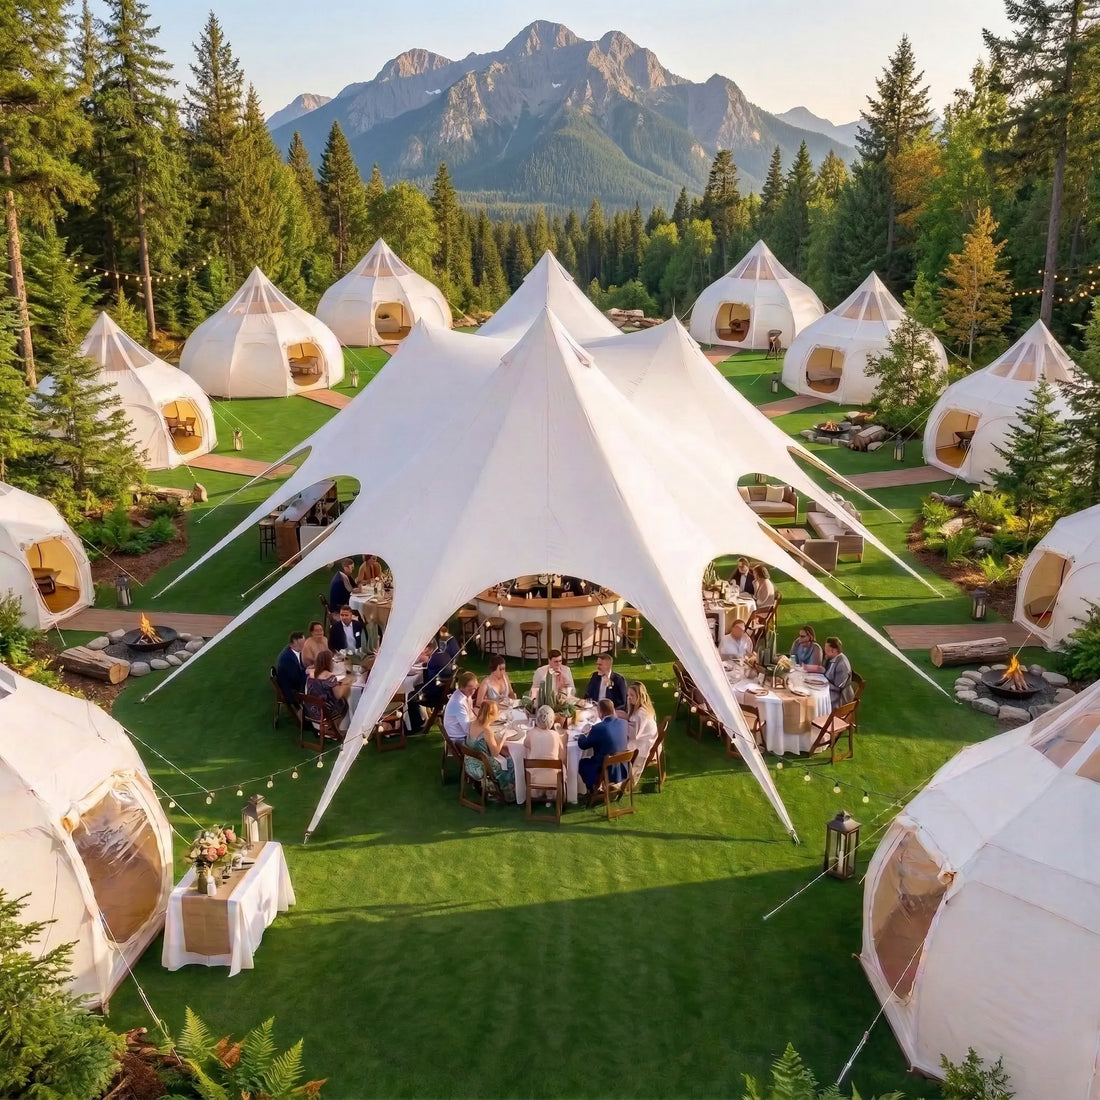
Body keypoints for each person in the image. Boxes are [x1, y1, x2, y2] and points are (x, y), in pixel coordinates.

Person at [463, 700, 516, 801]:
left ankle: (493, 787)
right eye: (497, 712)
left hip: (469, 762)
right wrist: (504, 738)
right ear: (491, 714)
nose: (498, 713)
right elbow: (495, 753)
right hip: (482, 765)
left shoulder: (472, 723)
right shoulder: (486, 730)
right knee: (511, 760)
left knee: (505, 754)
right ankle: (507, 791)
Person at [578, 699, 630, 792]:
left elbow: (583, 745)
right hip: (622, 767)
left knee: (582, 763)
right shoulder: (624, 723)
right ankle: (599, 787)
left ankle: (594, 788)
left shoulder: (598, 728)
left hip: (606, 770)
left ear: (600, 712)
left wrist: (582, 733)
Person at [525, 705, 565, 802]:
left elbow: (526, 744)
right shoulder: (556, 735)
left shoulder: (531, 733)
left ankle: (539, 793)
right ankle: (552, 794)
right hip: (554, 778)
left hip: (534, 778)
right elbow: (563, 757)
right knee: (562, 765)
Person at [304, 649, 350, 730]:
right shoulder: (330, 677)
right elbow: (338, 695)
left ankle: (330, 729)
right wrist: (345, 685)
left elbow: (307, 671)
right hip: (325, 712)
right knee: (344, 702)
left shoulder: (310, 676)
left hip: (311, 710)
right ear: (328, 662)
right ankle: (335, 729)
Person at [625, 681, 658, 784]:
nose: (629, 697)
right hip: (643, 738)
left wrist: (621, 726)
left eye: (632, 695)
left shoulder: (641, 713)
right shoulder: (638, 708)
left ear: (639, 696)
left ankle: (618, 779)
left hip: (644, 743)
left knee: (615, 748)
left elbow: (635, 735)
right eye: (628, 695)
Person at [422, 627, 460, 708]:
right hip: (445, 691)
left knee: (410, 696)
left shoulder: (433, 660)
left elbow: (428, 679)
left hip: (435, 696)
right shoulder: (445, 655)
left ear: (428, 649)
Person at [443, 671, 478, 742]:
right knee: (491, 739)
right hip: (459, 740)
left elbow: (471, 716)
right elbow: (467, 729)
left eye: (474, 687)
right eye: (470, 687)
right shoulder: (458, 703)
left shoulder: (467, 695)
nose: (473, 691)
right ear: (462, 687)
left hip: (464, 734)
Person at [275, 631, 307, 710]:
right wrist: (308, 672)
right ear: (294, 644)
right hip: (292, 691)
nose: (304, 646)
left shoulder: (293, 651)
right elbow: (297, 680)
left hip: (293, 684)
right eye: (302, 644)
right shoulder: (287, 659)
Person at [822, 636, 855, 708]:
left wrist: (822, 684)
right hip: (828, 689)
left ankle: (821, 717)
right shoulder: (830, 658)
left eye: (827, 649)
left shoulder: (842, 665)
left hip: (840, 697)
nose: (825, 651)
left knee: (816, 700)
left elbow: (838, 688)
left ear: (834, 650)